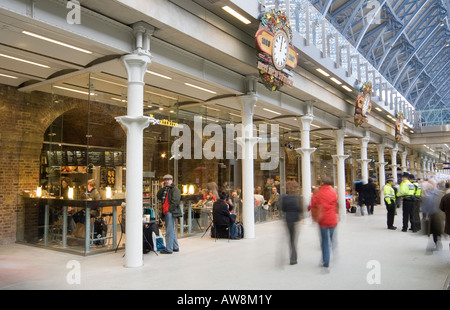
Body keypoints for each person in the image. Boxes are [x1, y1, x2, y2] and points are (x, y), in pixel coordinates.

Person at [309, 176, 339, 269]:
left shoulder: (317, 193)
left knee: (324, 241)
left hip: (322, 220)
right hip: (332, 218)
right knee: (332, 237)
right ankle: (334, 250)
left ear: (322, 183)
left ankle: (325, 261)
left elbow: (312, 205)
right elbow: (336, 204)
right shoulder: (334, 193)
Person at [157, 174, 182, 254]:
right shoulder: (165, 189)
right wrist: (162, 187)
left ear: (172, 180)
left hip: (170, 212)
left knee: (169, 231)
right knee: (171, 230)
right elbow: (158, 196)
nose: (167, 181)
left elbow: (175, 202)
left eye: (169, 179)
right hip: (166, 212)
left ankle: (169, 249)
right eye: (165, 180)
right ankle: (175, 247)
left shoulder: (175, 189)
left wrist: (168, 210)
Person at [280, 181, 302, 265]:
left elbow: (283, 208)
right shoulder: (298, 198)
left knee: (291, 239)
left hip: (288, 220)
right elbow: (300, 209)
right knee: (293, 239)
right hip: (296, 220)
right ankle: (293, 257)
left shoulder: (285, 198)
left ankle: (293, 257)